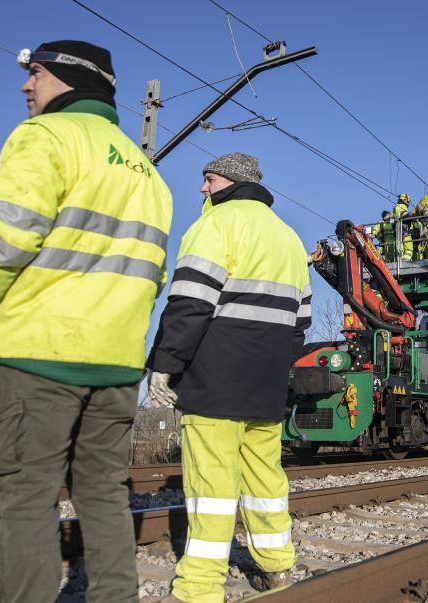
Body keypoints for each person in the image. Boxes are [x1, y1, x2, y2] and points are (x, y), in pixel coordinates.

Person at [0, 40, 173, 602]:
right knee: (105, 493)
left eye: (34, 73)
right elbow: (150, 277)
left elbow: (0, 241)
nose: (25, 86)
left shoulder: (45, 138)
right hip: (115, 364)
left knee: (27, 494)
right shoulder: (147, 174)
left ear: (64, 78)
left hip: (42, 353)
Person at [145, 152, 311, 602]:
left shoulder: (214, 226)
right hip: (267, 385)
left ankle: (199, 588)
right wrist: (273, 364)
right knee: (264, 478)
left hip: (214, 379)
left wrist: (165, 363)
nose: (202, 188)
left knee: (211, 486)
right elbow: (301, 325)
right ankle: (278, 568)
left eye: (209, 179)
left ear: (231, 183)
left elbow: (189, 305)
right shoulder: (291, 239)